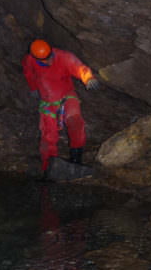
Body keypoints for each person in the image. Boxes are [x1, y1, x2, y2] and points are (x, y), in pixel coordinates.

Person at [21, 39, 99, 173]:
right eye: (44, 60)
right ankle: (48, 166)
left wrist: (88, 78)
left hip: (66, 95)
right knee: (48, 136)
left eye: (49, 57)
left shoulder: (62, 57)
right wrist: (33, 88)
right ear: (35, 58)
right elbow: (28, 73)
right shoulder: (29, 60)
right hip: (48, 102)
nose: (49, 61)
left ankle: (76, 159)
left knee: (75, 122)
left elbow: (79, 67)